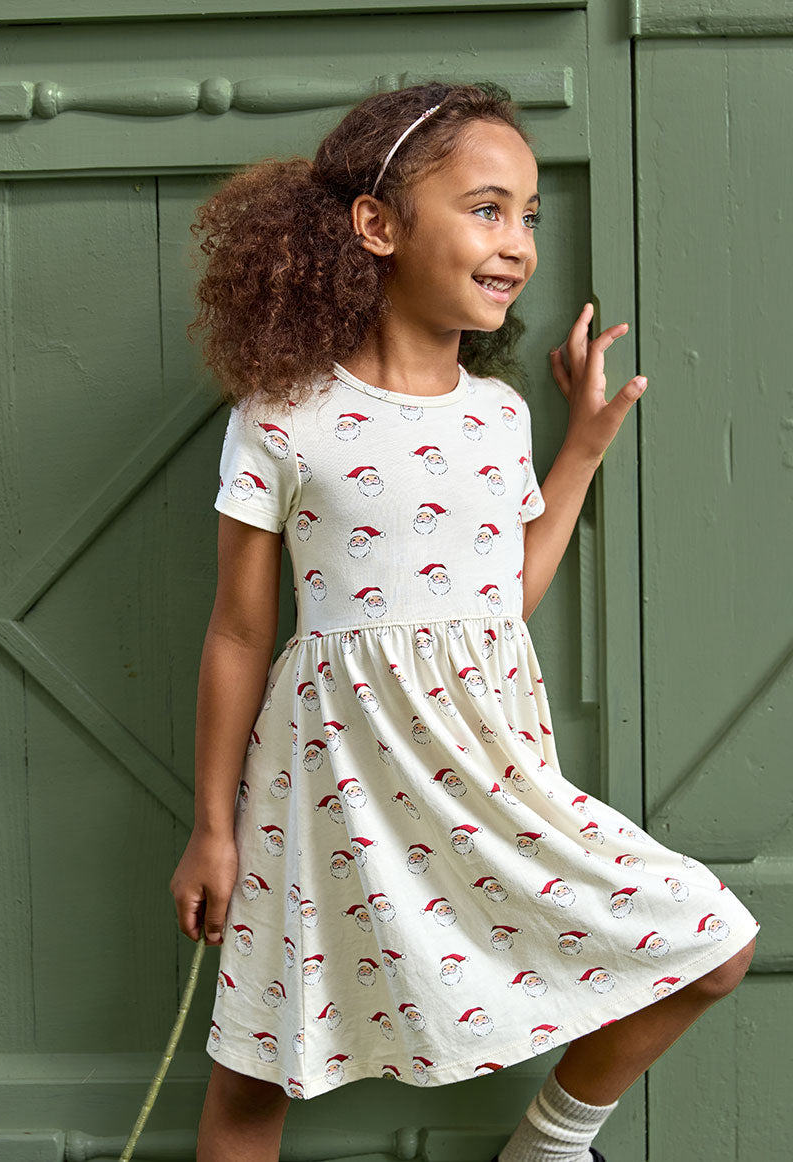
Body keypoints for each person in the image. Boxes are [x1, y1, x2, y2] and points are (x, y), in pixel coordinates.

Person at [170, 81, 759, 1162]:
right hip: (329, 787)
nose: (518, 241)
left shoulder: (497, 416)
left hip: (486, 777)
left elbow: (497, 603)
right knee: (260, 1071)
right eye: (487, 209)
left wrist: (580, 448)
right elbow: (240, 634)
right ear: (377, 225)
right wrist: (213, 827)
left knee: (714, 944)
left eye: (528, 215)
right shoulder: (282, 416)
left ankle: (546, 1147)